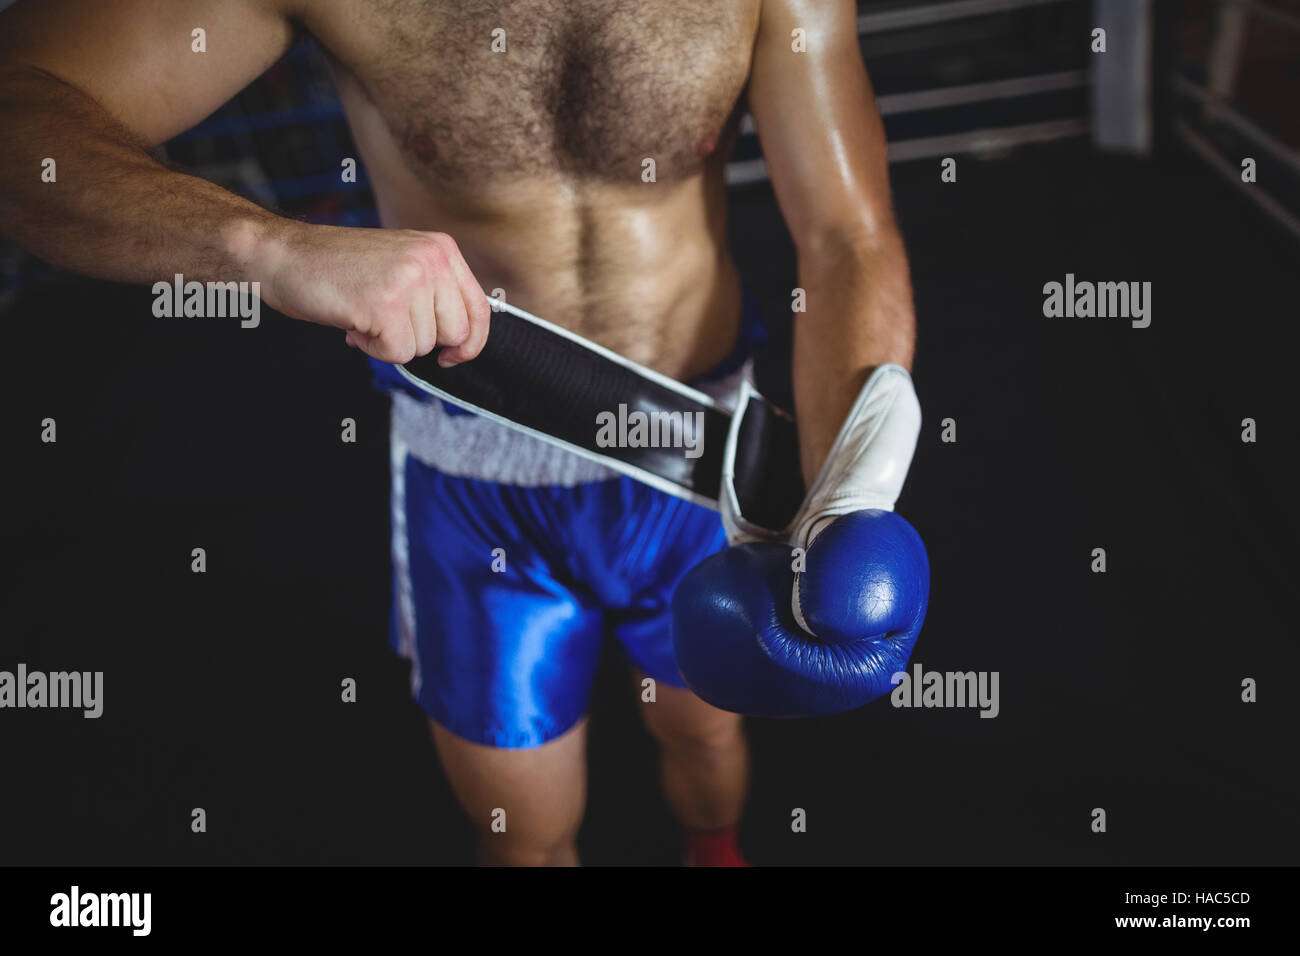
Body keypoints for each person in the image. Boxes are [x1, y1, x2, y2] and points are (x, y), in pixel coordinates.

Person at [0, 0, 917, 866]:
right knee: (524, 830)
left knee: (706, 731)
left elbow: (845, 231)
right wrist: (264, 249)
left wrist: (850, 493)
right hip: (477, 482)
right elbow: (21, 104)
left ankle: (714, 853)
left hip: (696, 460)